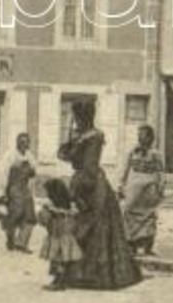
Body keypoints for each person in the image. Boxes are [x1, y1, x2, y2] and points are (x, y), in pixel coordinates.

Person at [58, 99, 141, 290]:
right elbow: (62, 154)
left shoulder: (94, 136)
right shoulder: (80, 136)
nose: (78, 119)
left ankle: (81, 276)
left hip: (91, 184)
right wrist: (70, 139)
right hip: (85, 180)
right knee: (83, 228)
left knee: (87, 228)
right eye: (77, 116)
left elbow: (89, 165)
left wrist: (79, 191)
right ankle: (80, 275)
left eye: (79, 116)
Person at [118, 124, 165, 256]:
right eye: (139, 135)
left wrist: (160, 188)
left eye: (143, 135)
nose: (140, 138)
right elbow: (125, 170)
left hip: (149, 191)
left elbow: (160, 172)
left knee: (149, 218)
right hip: (133, 191)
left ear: (151, 137)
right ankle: (131, 245)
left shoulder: (156, 154)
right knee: (129, 215)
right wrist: (121, 185)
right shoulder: (132, 152)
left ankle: (147, 247)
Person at [35, 177, 81, 290]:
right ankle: (60, 280)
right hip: (66, 236)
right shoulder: (69, 207)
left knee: (57, 259)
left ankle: (58, 282)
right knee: (63, 259)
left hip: (57, 235)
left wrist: (43, 212)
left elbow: (43, 220)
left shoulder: (52, 208)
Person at [1, 133, 39, 252]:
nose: (24, 144)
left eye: (26, 142)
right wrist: (4, 191)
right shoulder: (10, 155)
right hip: (14, 188)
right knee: (15, 214)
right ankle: (10, 239)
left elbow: (34, 173)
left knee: (30, 215)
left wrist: (31, 187)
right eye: (21, 142)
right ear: (17, 143)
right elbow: (3, 173)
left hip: (25, 188)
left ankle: (22, 243)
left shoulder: (30, 156)